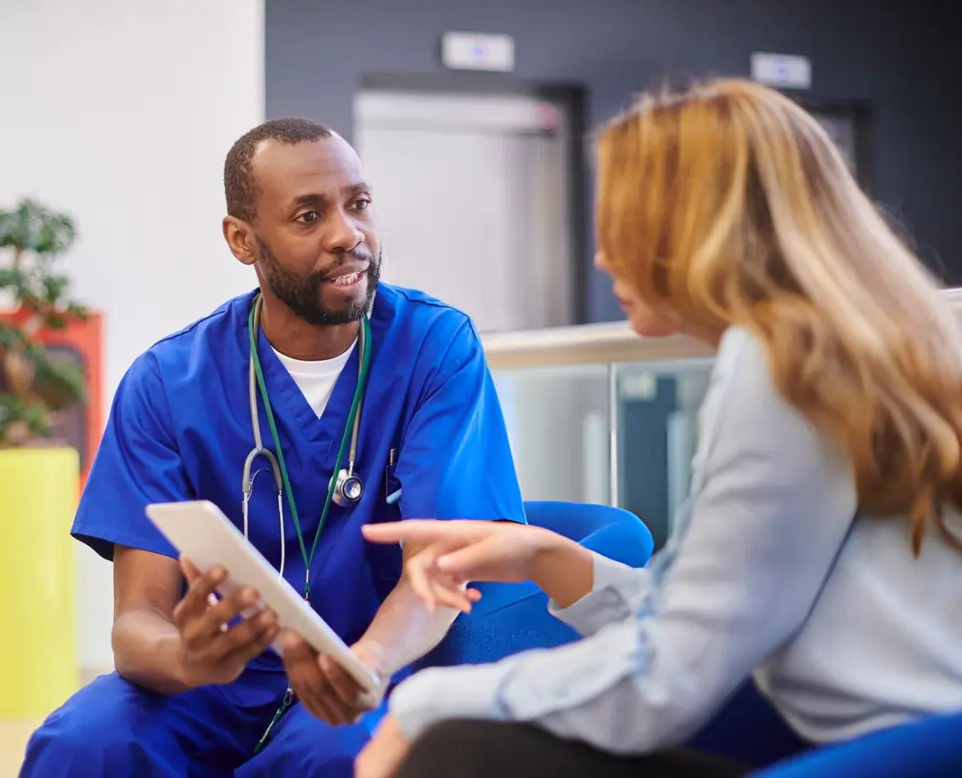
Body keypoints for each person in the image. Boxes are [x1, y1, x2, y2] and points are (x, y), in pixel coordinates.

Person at [353, 77, 962, 778]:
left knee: (454, 751)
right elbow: (709, 616)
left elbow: (673, 672)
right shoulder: (846, 346)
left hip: (895, 756)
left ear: (697, 226)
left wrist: (426, 701)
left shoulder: (780, 366)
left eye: (623, 225)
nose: (603, 257)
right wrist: (542, 557)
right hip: (883, 736)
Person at [18, 117, 525, 777]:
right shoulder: (168, 383)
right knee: (82, 744)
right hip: (216, 680)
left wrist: (363, 666)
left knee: (342, 751)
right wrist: (188, 659)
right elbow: (137, 623)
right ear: (242, 240)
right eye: (309, 216)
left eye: (359, 204)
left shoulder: (434, 349)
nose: (349, 235)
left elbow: (436, 575)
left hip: (375, 662)